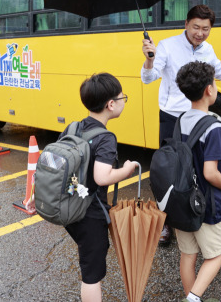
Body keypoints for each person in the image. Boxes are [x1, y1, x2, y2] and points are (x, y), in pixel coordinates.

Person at [141, 4, 221, 244]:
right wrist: (149, 60)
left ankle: (193, 213)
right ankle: (165, 223)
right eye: (196, 27)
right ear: (186, 24)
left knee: (198, 171)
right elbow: (149, 78)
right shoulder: (167, 46)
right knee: (171, 172)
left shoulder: (207, 49)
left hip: (197, 117)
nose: (200, 33)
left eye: (206, 29)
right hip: (172, 117)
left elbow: (219, 71)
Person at [29, 73, 136, 301]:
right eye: (122, 97)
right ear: (110, 104)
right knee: (91, 275)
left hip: (69, 207)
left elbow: (53, 165)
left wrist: (35, 193)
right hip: (90, 213)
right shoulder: (106, 138)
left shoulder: (73, 127)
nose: (123, 101)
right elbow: (102, 177)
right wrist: (127, 170)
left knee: (88, 261)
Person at [174, 61, 221, 302]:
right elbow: (211, 173)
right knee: (219, 251)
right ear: (209, 90)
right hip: (206, 202)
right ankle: (193, 298)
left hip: (182, 200)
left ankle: (192, 296)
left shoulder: (181, 120)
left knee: (188, 254)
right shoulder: (213, 127)